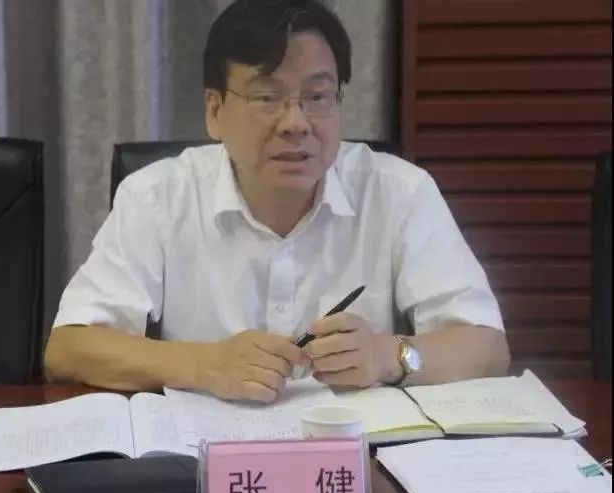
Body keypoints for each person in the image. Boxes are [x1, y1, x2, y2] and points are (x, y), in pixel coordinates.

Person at [44, 0, 510, 402]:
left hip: (357, 455)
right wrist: (204, 364)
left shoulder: (400, 191)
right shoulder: (156, 197)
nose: (296, 123)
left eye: (318, 96)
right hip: (203, 460)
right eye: (267, 97)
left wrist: (389, 355)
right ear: (214, 111)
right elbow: (69, 349)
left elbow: (487, 347)